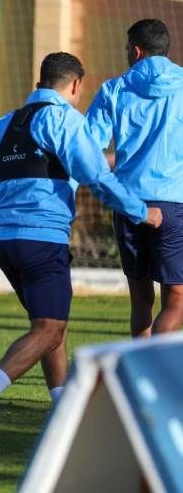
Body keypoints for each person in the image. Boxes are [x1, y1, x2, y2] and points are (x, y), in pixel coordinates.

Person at [0, 52, 162, 444]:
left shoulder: (3, 125)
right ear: (74, 85)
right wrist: (141, 211)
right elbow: (96, 176)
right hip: (42, 240)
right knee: (50, 328)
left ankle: (63, 409)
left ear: (39, 82)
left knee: (50, 326)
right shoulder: (64, 120)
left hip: (7, 244)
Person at [86, 19, 183, 337]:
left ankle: (141, 364)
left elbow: (88, 148)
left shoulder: (113, 89)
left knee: (140, 301)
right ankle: (155, 363)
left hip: (128, 203)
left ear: (137, 51)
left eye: (127, 48)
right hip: (174, 203)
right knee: (177, 300)